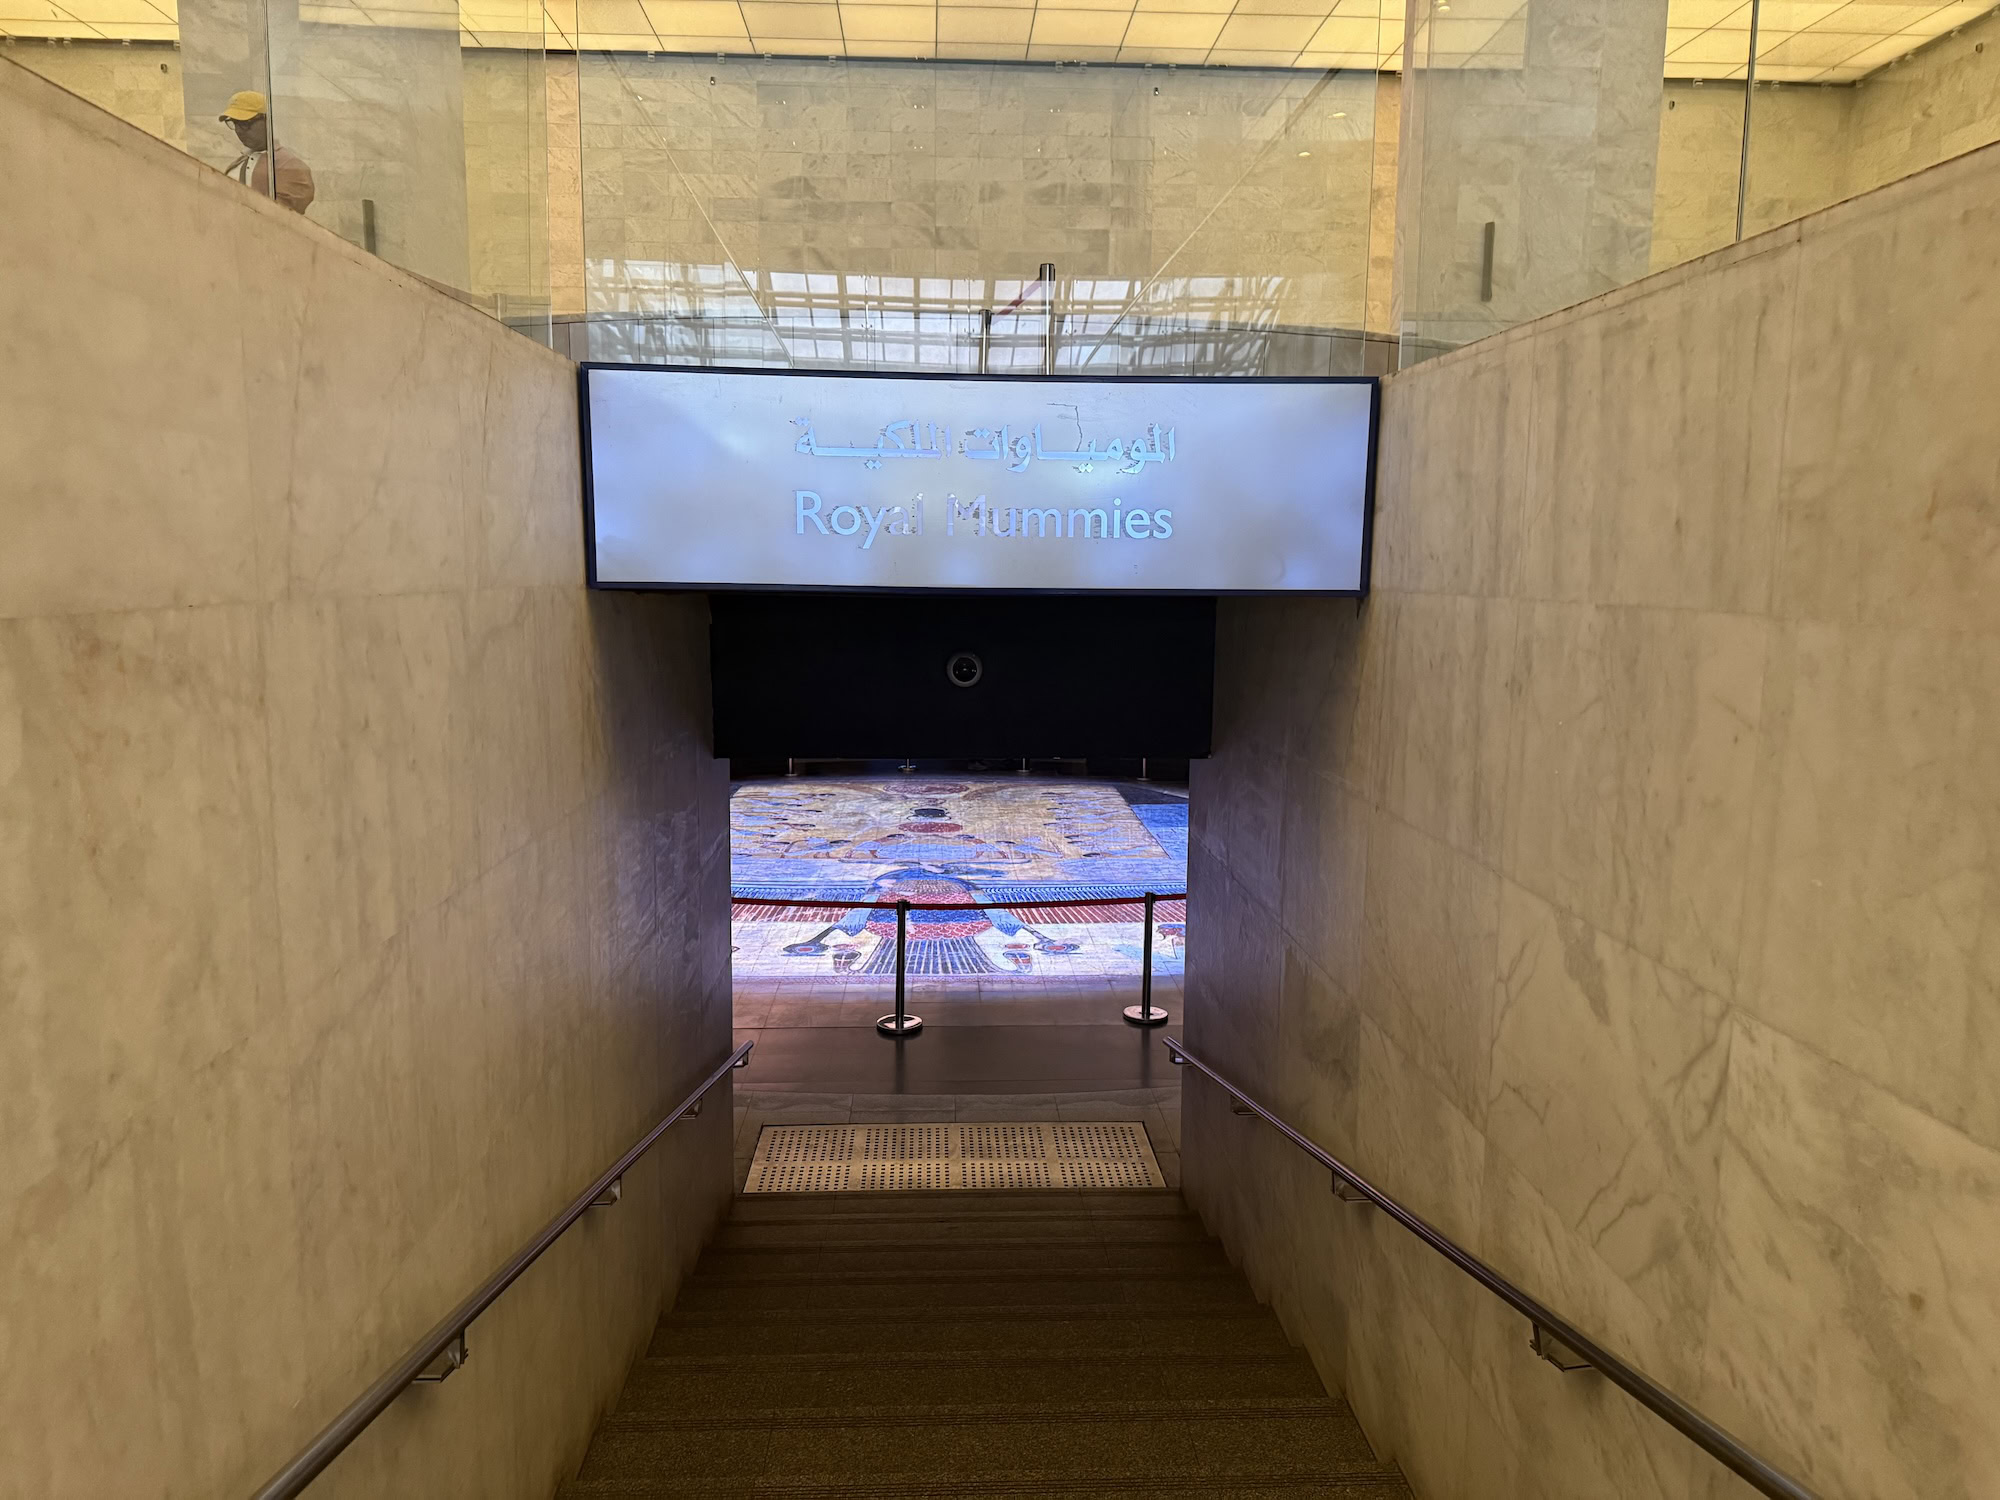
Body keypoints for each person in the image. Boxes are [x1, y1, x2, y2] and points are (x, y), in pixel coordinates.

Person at [218, 91, 314, 214]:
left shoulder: (290, 165)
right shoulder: (237, 164)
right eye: (235, 123)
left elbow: (282, 217)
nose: (239, 130)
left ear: (268, 120)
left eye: (245, 123)